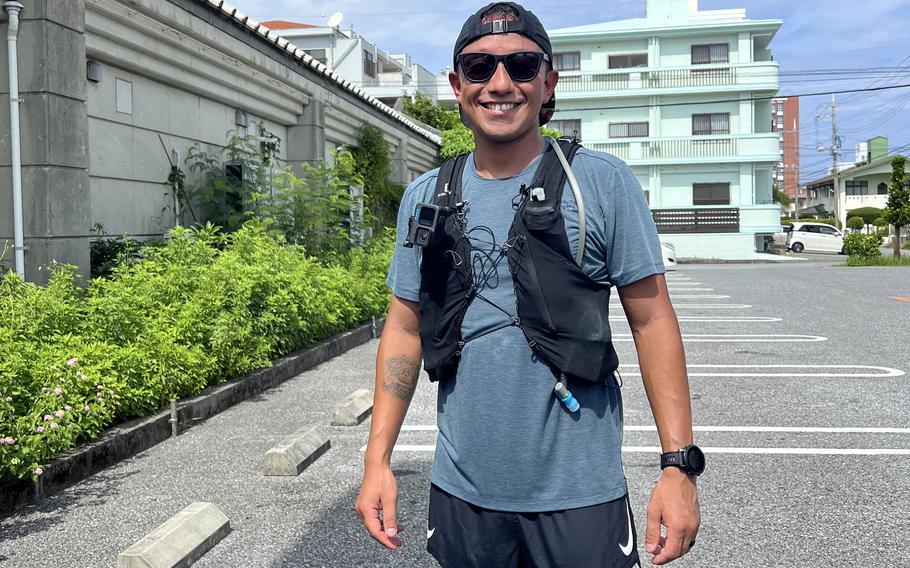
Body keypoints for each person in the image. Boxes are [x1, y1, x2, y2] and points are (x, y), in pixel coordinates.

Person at [355, 3, 702, 566]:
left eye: (520, 66)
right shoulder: (425, 198)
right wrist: (377, 459)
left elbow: (652, 319)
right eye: (478, 68)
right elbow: (404, 327)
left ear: (548, 82)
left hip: (580, 496)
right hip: (462, 493)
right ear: (456, 84)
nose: (500, 84)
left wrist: (678, 466)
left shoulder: (600, 184)